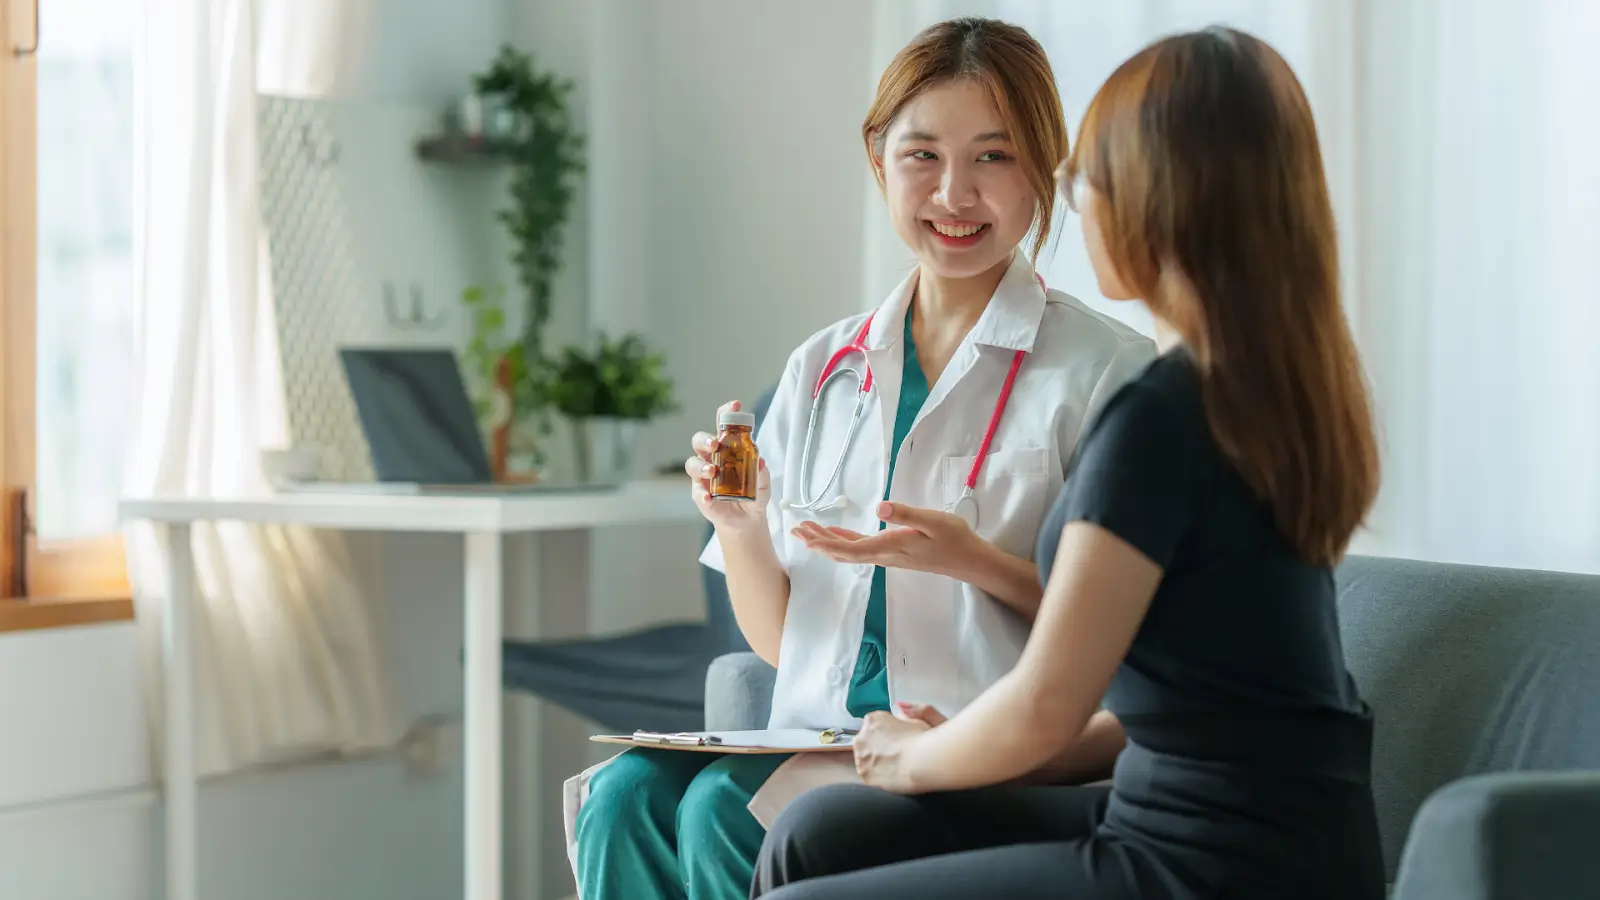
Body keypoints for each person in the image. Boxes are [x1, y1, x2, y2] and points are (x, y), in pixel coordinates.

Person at [752, 26, 1387, 900]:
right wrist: (937, 754)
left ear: (1159, 201)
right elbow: (1167, 712)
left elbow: (1050, 702)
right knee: (821, 832)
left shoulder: (1160, 414)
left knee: (811, 877)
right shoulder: (1258, 395)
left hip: (1209, 859)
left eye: (1085, 177)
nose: (1074, 204)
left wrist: (916, 760)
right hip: (1204, 814)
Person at [566, 17, 1155, 900]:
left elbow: (1123, 635)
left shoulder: (1107, 371)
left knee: (723, 811)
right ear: (879, 161)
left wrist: (972, 562)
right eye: (923, 156)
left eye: (994, 157)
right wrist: (741, 527)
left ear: (1045, 170)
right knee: (619, 800)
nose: (955, 195)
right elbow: (782, 641)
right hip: (810, 739)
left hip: (964, 742)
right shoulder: (821, 368)